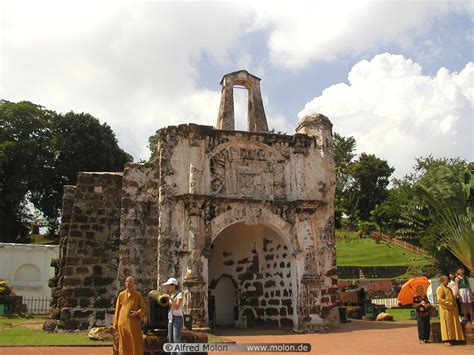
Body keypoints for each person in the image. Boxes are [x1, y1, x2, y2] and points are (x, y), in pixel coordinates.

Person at [113, 276, 147, 355]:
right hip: (122, 323)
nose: (128, 283)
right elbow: (117, 309)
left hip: (133, 324)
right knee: (123, 343)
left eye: (130, 281)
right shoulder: (121, 295)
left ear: (133, 283)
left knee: (135, 342)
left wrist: (137, 312)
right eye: (127, 281)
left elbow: (143, 309)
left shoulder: (137, 295)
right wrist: (116, 323)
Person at [436, 275, 465, 345]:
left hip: (452, 309)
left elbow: (452, 298)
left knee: (453, 324)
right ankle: (446, 340)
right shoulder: (440, 288)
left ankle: (454, 338)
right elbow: (440, 299)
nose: (447, 281)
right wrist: (449, 303)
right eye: (446, 280)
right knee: (447, 325)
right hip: (445, 309)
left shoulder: (448, 288)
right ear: (442, 281)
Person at [163, 277, 184, 355]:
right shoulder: (171, 294)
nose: (167, 287)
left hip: (177, 318)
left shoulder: (179, 294)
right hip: (171, 318)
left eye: (168, 285)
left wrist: (170, 298)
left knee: (176, 339)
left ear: (173, 285)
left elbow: (177, 306)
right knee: (171, 340)